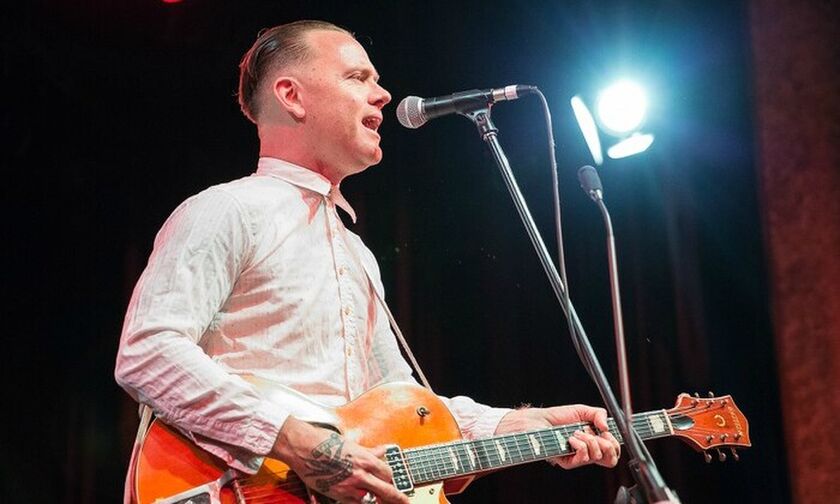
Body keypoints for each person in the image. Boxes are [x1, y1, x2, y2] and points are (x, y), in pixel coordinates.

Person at [114, 20, 620, 504]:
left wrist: (518, 424)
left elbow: (403, 406)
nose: (383, 95)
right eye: (358, 78)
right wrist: (298, 442)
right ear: (291, 95)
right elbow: (147, 352)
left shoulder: (357, 254)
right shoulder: (226, 210)